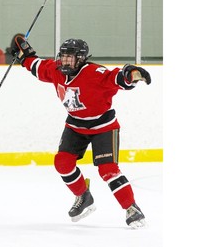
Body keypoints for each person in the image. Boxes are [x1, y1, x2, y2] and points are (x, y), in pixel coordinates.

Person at [12, 36, 151, 228]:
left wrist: (132, 73)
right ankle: (83, 196)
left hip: (103, 126)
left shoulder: (94, 73)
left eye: (71, 57)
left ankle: (131, 208)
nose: (65, 61)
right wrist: (24, 55)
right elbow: (38, 66)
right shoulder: (56, 70)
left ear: (81, 59)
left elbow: (117, 78)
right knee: (62, 163)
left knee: (108, 170)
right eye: (63, 56)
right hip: (75, 125)